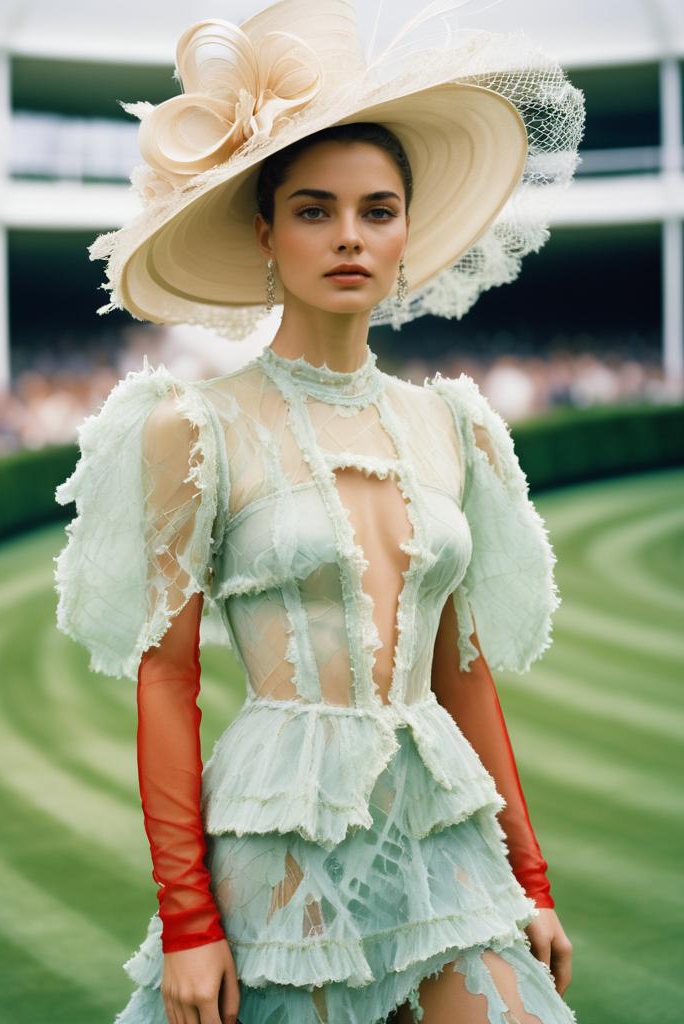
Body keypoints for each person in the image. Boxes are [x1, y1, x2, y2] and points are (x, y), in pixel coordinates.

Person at [54, 2, 585, 1022]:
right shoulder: (193, 429)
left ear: (404, 231)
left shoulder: (453, 427)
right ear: (265, 230)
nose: (349, 235)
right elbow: (166, 682)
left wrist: (533, 877)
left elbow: (461, 678)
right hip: (281, 846)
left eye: (377, 210)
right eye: (313, 208)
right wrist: (188, 922)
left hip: (443, 841)